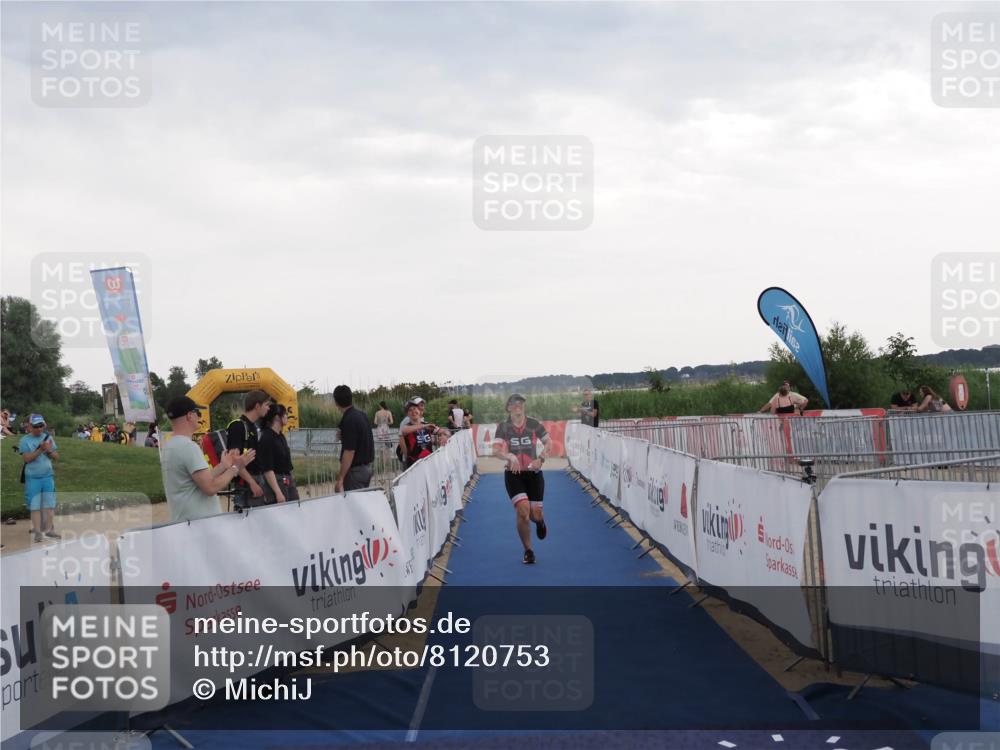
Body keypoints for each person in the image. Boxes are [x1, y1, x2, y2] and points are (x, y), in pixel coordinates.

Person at [161, 396, 253, 522]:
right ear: (190, 416)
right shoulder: (188, 447)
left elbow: (196, 481)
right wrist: (236, 467)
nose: (199, 417)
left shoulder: (170, 446)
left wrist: (222, 466)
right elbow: (210, 487)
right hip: (200, 524)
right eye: (197, 413)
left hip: (185, 521)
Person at [492, 394, 553, 565]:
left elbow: (549, 443)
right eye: (514, 403)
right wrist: (509, 456)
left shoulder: (534, 424)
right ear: (508, 407)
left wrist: (540, 459)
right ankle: (528, 550)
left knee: (535, 514)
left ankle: (540, 522)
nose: (518, 405)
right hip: (514, 475)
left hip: (533, 474)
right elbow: (495, 451)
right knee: (523, 511)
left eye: (521, 403)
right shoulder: (503, 427)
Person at [225, 389, 272, 508]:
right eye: (266, 405)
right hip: (246, 485)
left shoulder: (253, 427)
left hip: (255, 480)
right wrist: (252, 483)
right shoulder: (238, 426)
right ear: (257, 406)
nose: (268, 408)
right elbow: (234, 461)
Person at [19, 414, 60, 543]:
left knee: (50, 504)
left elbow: (56, 456)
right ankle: (37, 531)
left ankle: (49, 529)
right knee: (35, 506)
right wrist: (40, 450)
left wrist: (48, 450)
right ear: (29, 427)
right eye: (36, 426)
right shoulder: (25, 440)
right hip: (33, 478)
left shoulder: (49, 438)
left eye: (41, 425)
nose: (39, 429)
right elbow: (27, 459)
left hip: (48, 476)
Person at [334, 385, 375, 492]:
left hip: (355, 472)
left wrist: (340, 479)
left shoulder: (349, 420)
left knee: (353, 506)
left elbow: (349, 451)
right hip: (366, 468)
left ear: (336, 402)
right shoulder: (362, 415)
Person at [257, 404, 298, 503]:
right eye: (284, 414)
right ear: (276, 417)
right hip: (277, 481)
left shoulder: (281, 436)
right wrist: (278, 492)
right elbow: (267, 469)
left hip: (287, 478)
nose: (286, 416)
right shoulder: (267, 438)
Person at [400, 400, 437, 468]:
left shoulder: (427, 424)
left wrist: (444, 437)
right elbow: (404, 431)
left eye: (415, 409)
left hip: (429, 460)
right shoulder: (407, 426)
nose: (413, 412)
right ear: (407, 414)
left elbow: (442, 431)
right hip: (414, 463)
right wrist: (424, 426)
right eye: (410, 410)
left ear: (419, 411)